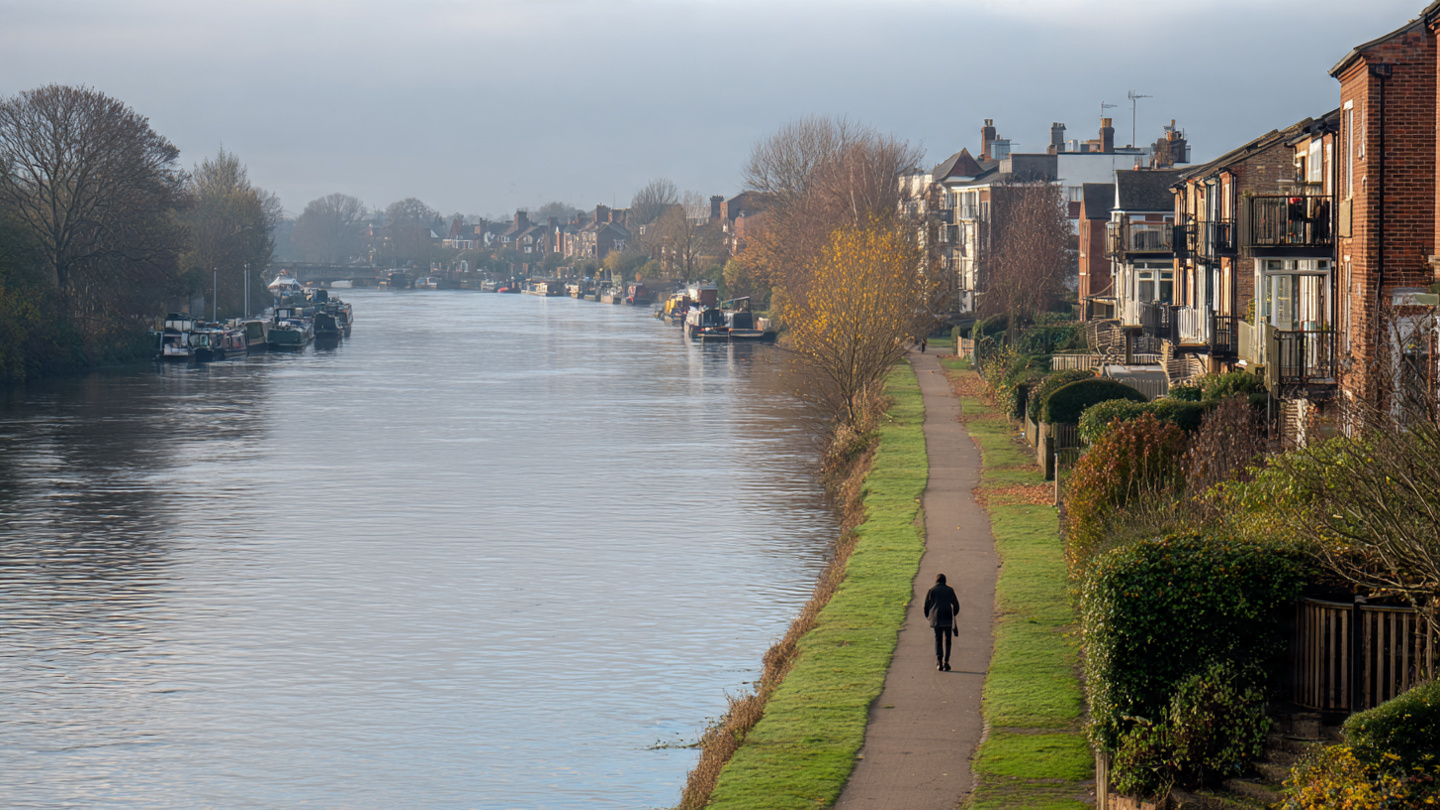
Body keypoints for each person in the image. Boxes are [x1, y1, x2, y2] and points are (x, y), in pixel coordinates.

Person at [923, 573, 960, 671]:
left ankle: (939, 661)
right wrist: (954, 614)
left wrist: (928, 616)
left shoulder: (932, 591)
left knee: (938, 639)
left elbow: (926, 605)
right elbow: (956, 604)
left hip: (936, 618)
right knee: (948, 640)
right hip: (947, 617)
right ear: (945, 581)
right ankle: (946, 661)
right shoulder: (949, 590)